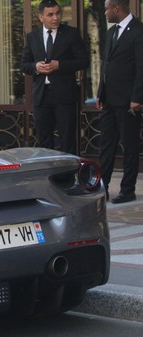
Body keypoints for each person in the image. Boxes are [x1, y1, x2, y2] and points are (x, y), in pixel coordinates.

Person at [19, 0, 88, 155]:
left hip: (64, 96)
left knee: (67, 140)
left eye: (57, 13)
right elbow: (24, 65)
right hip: (41, 97)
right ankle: (48, 177)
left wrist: (60, 65)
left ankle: (67, 177)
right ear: (41, 17)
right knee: (44, 142)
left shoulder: (71, 33)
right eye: (50, 15)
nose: (55, 18)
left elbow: (83, 61)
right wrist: (36, 67)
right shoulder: (32, 37)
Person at [97, 0, 143, 204]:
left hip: (128, 102)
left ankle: (127, 189)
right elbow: (106, 64)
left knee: (130, 146)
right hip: (109, 100)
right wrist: (100, 92)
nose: (105, 12)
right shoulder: (111, 32)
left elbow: (142, 67)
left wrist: (137, 98)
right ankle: (102, 187)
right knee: (106, 145)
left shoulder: (138, 31)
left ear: (116, 8)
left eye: (106, 8)